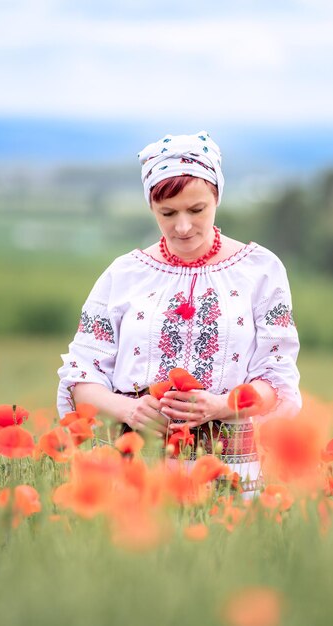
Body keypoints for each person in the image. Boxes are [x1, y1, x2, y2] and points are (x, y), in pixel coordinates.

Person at [57, 131, 301, 491]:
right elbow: (80, 379)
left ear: (217, 196)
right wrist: (128, 410)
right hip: (135, 472)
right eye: (167, 213)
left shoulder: (261, 271)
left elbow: (277, 381)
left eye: (196, 209)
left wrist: (220, 405)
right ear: (151, 207)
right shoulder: (124, 275)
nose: (183, 226)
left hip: (231, 474)